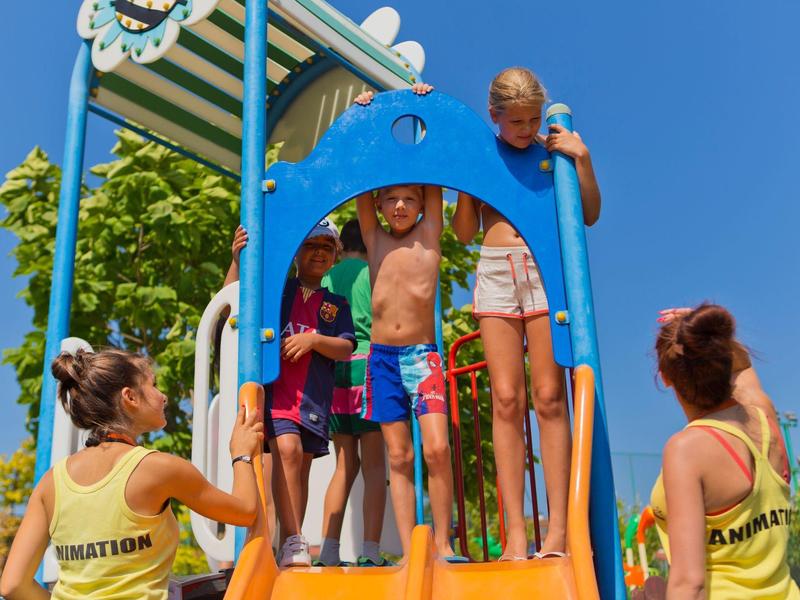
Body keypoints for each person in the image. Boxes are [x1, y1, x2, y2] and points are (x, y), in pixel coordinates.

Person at [451, 66, 601, 560]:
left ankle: (557, 532)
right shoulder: (483, 154)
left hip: (541, 267)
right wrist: (470, 184)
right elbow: (464, 234)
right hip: (495, 271)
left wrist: (582, 160)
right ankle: (516, 534)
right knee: (507, 400)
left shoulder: (550, 152)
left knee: (549, 396)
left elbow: (588, 214)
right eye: (516, 121)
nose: (526, 128)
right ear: (494, 116)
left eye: (533, 118)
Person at [0, 349, 263, 600]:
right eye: (153, 385)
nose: (163, 396)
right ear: (130, 397)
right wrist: (241, 454)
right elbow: (246, 511)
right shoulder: (158, 468)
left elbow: (12, 585)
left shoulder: (50, 482)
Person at [354, 80, 459, 563]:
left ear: (423, 205)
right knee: (399, 456)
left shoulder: (430, 236)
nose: (400, 205)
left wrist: (421, 107)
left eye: (410, 199)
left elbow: (432, 163)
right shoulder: (374, 238)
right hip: (381, 360)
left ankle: (443, 542)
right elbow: (364, 174)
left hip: (423, 357)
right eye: (391, 198)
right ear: (379, 205)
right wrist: (368, 118)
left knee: (436, 449)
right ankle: (412, 549)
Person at [228, 220, 356, 568]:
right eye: (311, 244)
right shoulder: (278, 292)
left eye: (326, 248)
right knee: (286, 448)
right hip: (278, 394)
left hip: (312, 399)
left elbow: (346, 347)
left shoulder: (335, 304)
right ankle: (294, 539)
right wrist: (237, 262)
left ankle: (290, 542)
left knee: (300, 470)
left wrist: (313, 339)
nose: (318, 252)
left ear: (335, 257)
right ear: (297, 251)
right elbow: (234, 306)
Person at [651, 304, 798, 599]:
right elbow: (746, 377)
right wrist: (707, 334)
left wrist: (697, 334)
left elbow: (689, 584)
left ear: (665, 378)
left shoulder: (687, 450)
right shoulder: (765, 420)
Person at [317, 219, 389, 567]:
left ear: (341, 246)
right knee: (375, 465)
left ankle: (328, 550)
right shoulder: (373, 272)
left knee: (344, 464)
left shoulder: (329, 276)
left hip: (334, 370)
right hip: (368, 367)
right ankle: (370, 552)